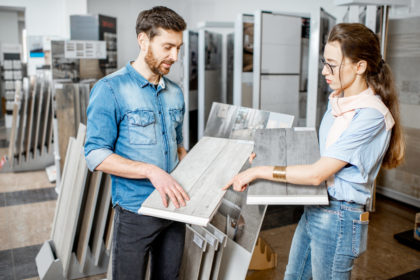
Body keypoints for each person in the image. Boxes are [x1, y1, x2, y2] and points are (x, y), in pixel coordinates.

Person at [224, 23, 405, 279]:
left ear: (360, 66)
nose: (323, 71)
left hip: (339, 217)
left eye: (332, 63)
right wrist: (265, 155)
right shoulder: (339, 102)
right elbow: (319, 158)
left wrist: (259, 172)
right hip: (317, 207)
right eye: (324, 62)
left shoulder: (371, 114)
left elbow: (317, 174)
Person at [84, 6, 190, 280]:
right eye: (168, 47)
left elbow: (179, 146)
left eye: (178, 47)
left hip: (175, 208)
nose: (175, 57)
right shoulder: (110, 89)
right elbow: (95, 154)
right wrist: (151, 171)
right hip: (135, 211)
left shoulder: (175, 93)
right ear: (143, 40)